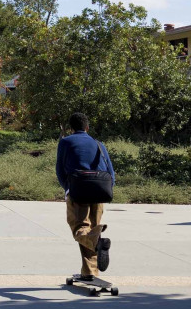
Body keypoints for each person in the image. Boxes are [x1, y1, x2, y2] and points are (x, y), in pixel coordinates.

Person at [56, 112, 115, 280]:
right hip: (99, 190)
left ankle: (97, 243)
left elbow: (60, 169)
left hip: (78, 190)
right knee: (94, 228)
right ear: (87, 127)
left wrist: (67, 188)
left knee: (80, 228)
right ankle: (90, 271)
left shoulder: (66, 142)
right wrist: (108, 188)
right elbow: (110, 170)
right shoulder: (98, 144)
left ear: (71, 128)